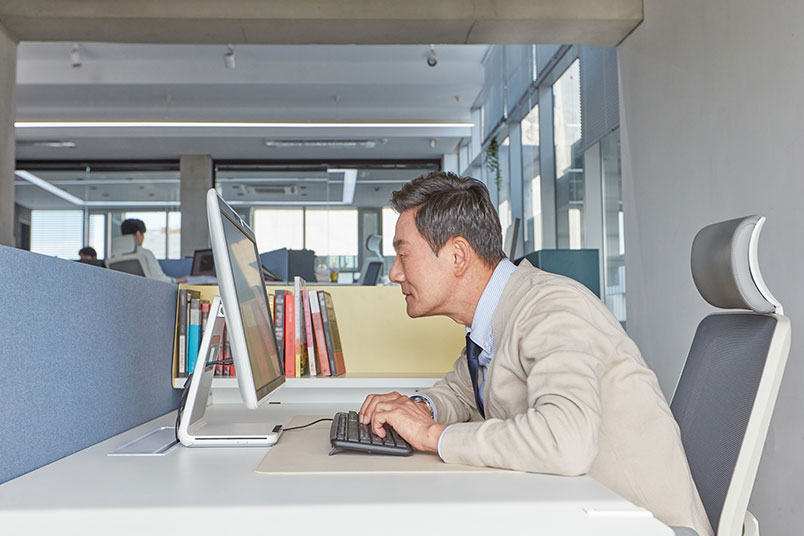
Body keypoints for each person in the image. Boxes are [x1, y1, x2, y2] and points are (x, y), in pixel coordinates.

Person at [358, 172, 712, 536]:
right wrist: (416, 409)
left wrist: (433, 434)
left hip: (641, 524)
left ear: (458, 256)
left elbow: (565, 440)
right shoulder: (496, 316)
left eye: (403, 255)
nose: (395, 273)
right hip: (581, 510)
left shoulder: (551, 308)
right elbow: (462, 391)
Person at [120, 218, 186, 284]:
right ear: (138, 234)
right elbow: (160, 280)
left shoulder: (113, 255)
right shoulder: (145, 254)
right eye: (143, 235)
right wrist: (181, 280)